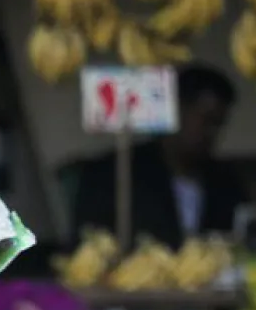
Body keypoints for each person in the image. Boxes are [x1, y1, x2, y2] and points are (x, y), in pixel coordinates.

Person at [66, 63, 245, 248]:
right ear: (177, 111)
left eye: (219, 124)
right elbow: (85, 244)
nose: (211, 133)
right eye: (206, 120)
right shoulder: (112, 175)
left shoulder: (224, 183)